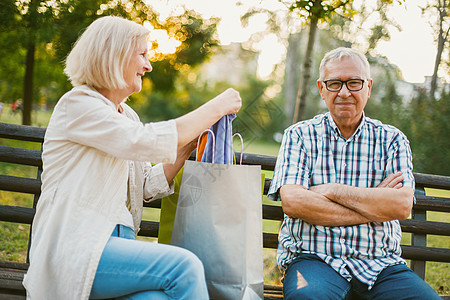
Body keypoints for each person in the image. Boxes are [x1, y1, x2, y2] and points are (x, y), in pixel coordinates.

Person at [23, 16, 241, 300]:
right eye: (142, 54)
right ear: (114, 55)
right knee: (184, 267)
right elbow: (143, 141)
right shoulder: (78, 105)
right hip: (79, 246)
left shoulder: (127, 116)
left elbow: (144, 185)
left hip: (118, 246)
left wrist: (186, 147)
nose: (148, 66)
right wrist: (216, 106)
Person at [268, 47, 440, 299]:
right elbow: (295, 202)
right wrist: (374, 202)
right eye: (335, 83)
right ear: (321, 88)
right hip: (314, 260)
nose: (345, 92)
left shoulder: (392, 140)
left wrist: (333, 190)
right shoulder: (299, 135)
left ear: (368, 87)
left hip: (380, 265)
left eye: (354, 83)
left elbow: (401, 205)